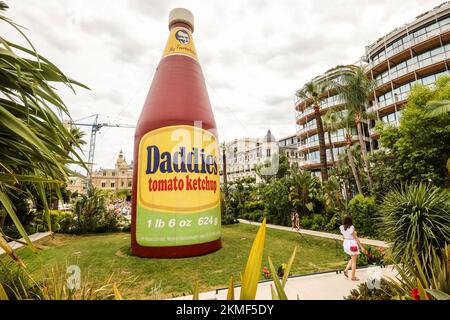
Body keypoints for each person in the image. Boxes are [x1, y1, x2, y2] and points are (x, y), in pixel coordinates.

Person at [339, 215, 367, 281]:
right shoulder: (351, 227)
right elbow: (356, 239)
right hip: (352, 245)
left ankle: (346, 270)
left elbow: (344, 236)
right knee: (354, 261)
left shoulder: (342, 227)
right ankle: (353, 277)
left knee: (352, 258)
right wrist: (362, 247)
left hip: (346, 244)